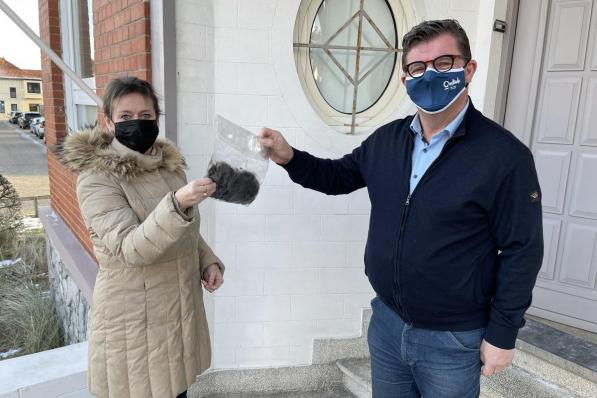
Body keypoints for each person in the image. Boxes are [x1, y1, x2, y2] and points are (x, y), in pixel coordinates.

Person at [260, 19, 543, 398]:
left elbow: (522, 249)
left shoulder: (504, 157)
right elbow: (337, 177)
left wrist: (503, 333)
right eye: (417, 68)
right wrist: (288, 156)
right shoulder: (386, 142)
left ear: (469, 69)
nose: (428, 75)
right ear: (404, 79)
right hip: (388, 326)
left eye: (443, 63)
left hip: (453, 339)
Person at [56, 76, 224, 398]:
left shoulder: (170, 169)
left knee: (177, 391)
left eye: (146, 117)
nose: (137, 124)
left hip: (177, 316)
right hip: (134, 326)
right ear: (108, 122)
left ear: (157, 119)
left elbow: (184, 229)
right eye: (125, 117)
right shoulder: (96, 179)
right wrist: (177, 202)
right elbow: (131, 248)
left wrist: (207, 261)